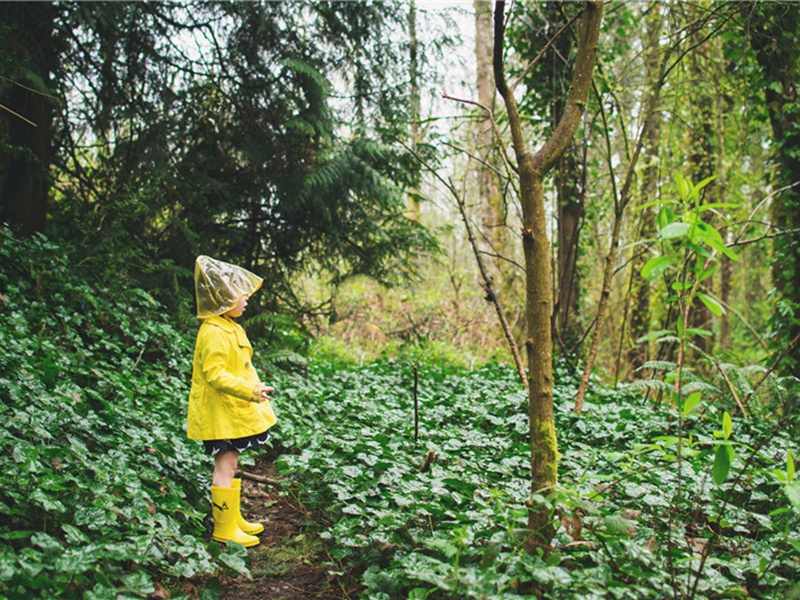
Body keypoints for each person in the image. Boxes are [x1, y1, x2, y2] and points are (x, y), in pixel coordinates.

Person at [187, 255, 277, 547]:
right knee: (224, 467)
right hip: (220, 414)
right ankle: (223, 529)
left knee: (231, 464)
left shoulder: (229, 326)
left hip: (231, 412)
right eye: (241, 295)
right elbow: (215, 375)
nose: (246, 300)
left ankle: (232, 519)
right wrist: (251, 391)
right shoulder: (213, 332)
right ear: (225, 298)